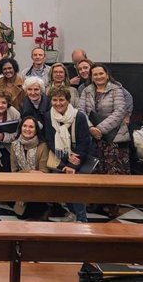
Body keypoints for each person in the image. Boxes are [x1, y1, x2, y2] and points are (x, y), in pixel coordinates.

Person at [44, 86, 90, 222]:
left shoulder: (78, 116)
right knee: (61, 184)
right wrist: (65, 160)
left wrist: (72, 165)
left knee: (75, 185)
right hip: (61, 156)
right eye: (55, 100)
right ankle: (71, 213)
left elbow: (84, 143)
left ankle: (82, 218)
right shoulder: (49, 116)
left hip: (79, 158)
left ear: (68, 100)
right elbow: (50, 140)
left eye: (61, 100)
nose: (58, 103)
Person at [78, 63, 131, 175]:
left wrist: (99, 129)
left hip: (115, 138)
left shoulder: (116, 90)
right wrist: (90, 128)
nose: (98, 76)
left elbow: (120, 112)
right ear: (91, 77)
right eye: (95, 74)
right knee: (96, 175)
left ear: (107, 75)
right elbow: (81, 111)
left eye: (101, 73)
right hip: (94, 139)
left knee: (115, 175)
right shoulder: (86, 91)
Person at [9, 116, 50, 219]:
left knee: (36, 214)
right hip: (20, 185)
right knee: (21, 215)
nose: (27, 129)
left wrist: (24, 173)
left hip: (38, 187)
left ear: (36, 130)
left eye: (31, 127)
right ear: (20, 128)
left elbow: (44, 173)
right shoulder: (14, 145)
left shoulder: (43, 146)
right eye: (25, 126)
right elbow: (13, 171)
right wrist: (30, 172)